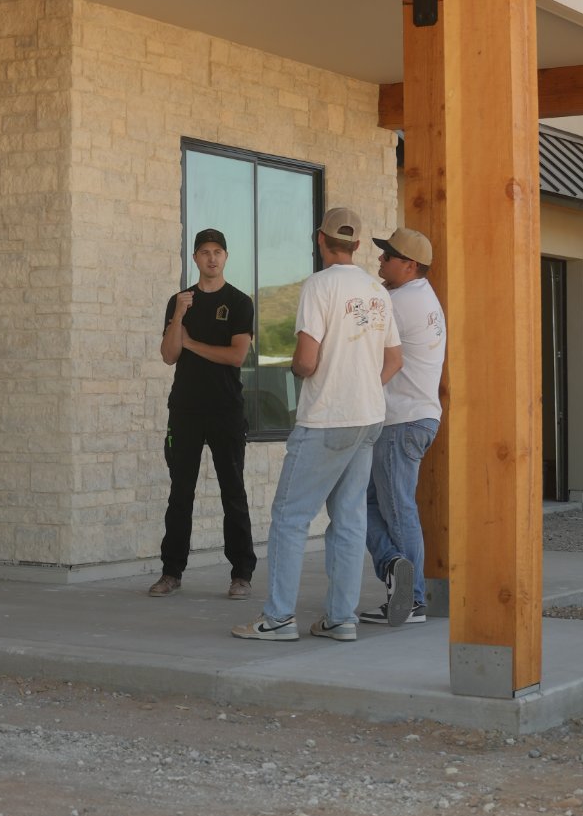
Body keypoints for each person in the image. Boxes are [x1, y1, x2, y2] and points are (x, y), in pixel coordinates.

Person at [232, 205, 400, 643]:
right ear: (359, 246)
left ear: (321, 240)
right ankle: (341, 618)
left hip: (327, 418)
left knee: (290, 517)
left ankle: (279, 618)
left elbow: (306, 361)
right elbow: (394, 359)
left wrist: (299, 370)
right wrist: (364, 383)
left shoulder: (318, 286)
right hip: (369, 417)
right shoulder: (377, 291)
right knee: (347, 519)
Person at [150, 228, 257, 598]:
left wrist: (192, 342)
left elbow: (236, 355)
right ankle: (171, 572)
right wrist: (179, 315)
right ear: (195, 258)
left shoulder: (240, 302)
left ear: (225, 257)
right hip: (185, 410)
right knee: (180, 493)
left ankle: (241, 574)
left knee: (233, 493)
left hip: (226, 409)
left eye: (218, 252)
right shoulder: (179, 302)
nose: (212, 258)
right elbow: (169, 355)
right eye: (204, 252)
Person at [362, 226, 445, 628]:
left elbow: (358, 342)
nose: (380, 260)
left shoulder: (398, 302)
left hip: (400, 422)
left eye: (387, 256)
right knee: (369, 504)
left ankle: (410, 600)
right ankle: (398, 572)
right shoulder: (424, 297)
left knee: (395, 511)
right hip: (418, 417)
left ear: (409, 265)